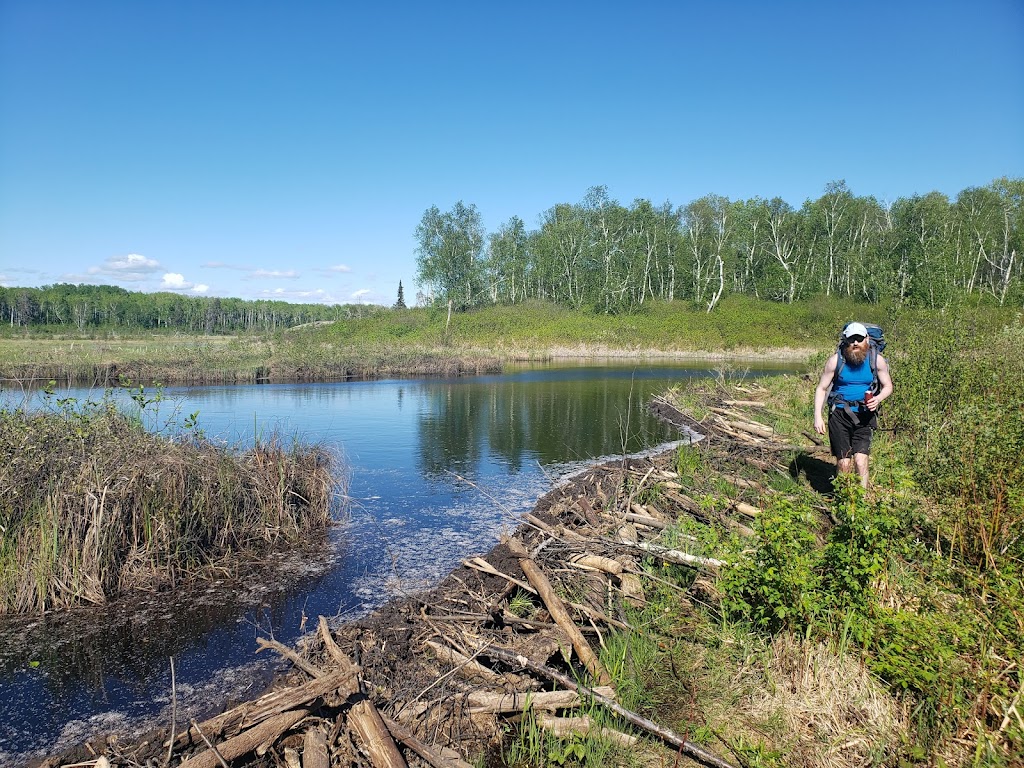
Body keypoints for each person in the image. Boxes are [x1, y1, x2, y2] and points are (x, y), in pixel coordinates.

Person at [813, 322, 893, 488]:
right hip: (839, 416)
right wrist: (817, 417)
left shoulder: (877, 360)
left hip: (865, 416)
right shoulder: (836, 361)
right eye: (851, 339)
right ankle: (844, 497)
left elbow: (888, 387)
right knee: (844, 463)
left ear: (867, 339)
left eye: (859, 338)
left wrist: (877, 399)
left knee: (861, 460)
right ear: (845, 340)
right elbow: (821, 388)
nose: (855, 343)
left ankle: (860, 504)